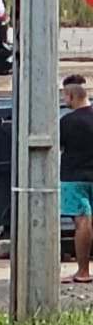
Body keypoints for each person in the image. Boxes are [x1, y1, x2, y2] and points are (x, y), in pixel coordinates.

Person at [61, 74, 93, 284]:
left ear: (71, 95)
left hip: (74, 178)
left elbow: (58, 146)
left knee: (82, 222)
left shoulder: (67, 122)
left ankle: (83, 271)